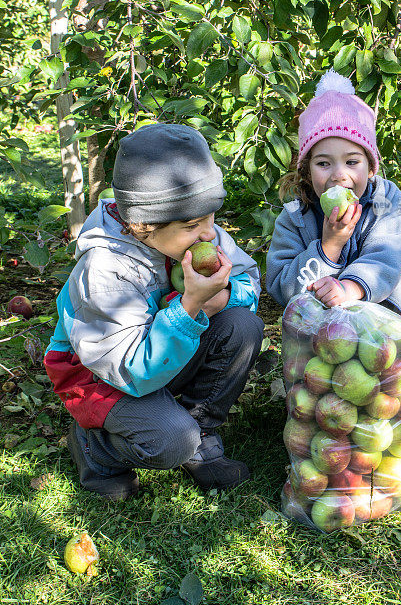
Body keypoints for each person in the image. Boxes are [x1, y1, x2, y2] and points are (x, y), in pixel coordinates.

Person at [44, 124, 264, 501]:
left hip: (160, 357)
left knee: (242, 325)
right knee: (171, 440)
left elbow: (249, 282)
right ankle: (96, 449)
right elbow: (131, 371)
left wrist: (221, 298)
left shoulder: (198, 234)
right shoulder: (107, 269)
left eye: (211, 217)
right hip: (102, 375)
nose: (210, 234)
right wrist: (189, 306)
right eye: (192, 225)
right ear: (140, 224)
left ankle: (202, 435)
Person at [266, 70, 401, 383]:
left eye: (352, 162)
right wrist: (328, 247)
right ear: (307, 169)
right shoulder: (295, 216)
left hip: (381, 306)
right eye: (324, 163)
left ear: (370, 164)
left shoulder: (387, 201)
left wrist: (350, 289)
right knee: (300, 311)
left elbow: (385, 259)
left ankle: (400, 339)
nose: (339, 175)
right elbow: (283, 287)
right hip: (323, 330)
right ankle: (387, 358)